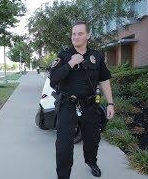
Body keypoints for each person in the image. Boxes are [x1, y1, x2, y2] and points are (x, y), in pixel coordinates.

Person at [50, 21, 115, 179]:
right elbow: (53, 79)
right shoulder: (64, 56)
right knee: (64, 145)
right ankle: (63, 176)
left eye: (80, 33)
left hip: (90, 106)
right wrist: (71, 63)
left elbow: (104, 79)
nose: (76, 37)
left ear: (88, 36)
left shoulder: (96, 56)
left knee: (93, 140)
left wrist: (110, 103)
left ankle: (91, 162)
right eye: (73, 34)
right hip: (68, 105)